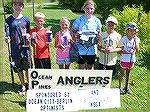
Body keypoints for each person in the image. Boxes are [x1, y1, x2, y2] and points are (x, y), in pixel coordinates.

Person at [5, 0, 31, 96]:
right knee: (19, 68)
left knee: (27, 68)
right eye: (15, 4)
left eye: (20, 5)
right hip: (15, 49)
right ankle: (23, 85)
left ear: (22, 7)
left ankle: (29, 85)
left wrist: (29, 37)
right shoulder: (8, 20)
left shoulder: (26, 19)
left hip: (25, 49)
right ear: (12, 6)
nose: (17, 7)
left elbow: (29, 32)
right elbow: (7, 34)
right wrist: (7, 39)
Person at [72, 0, 102, 69]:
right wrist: (75, 38)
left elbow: (99, 33)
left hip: (92, 49)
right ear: (84, 8)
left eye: (91, 8)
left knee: (90, 68)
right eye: (87, 8)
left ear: (94, 9)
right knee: (81, 68)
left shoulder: (97, 21)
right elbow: (73, 31)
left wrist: (99, 42)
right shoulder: (79, 20)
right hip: (81, 48)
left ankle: (89, 80)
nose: (89, 10)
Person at [118, 22, 140, 94]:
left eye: (134, 31)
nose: (132, 32)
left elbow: (138, 49)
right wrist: (127, 52)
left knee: (128, 73)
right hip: (124, 59)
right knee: (122, 73)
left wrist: (136, 41)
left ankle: (126, 87)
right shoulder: (123, 39)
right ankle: (120, 86)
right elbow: (119, 51)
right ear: (127, 31)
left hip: (131, 60)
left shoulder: (136, 39)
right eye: (130, 30)